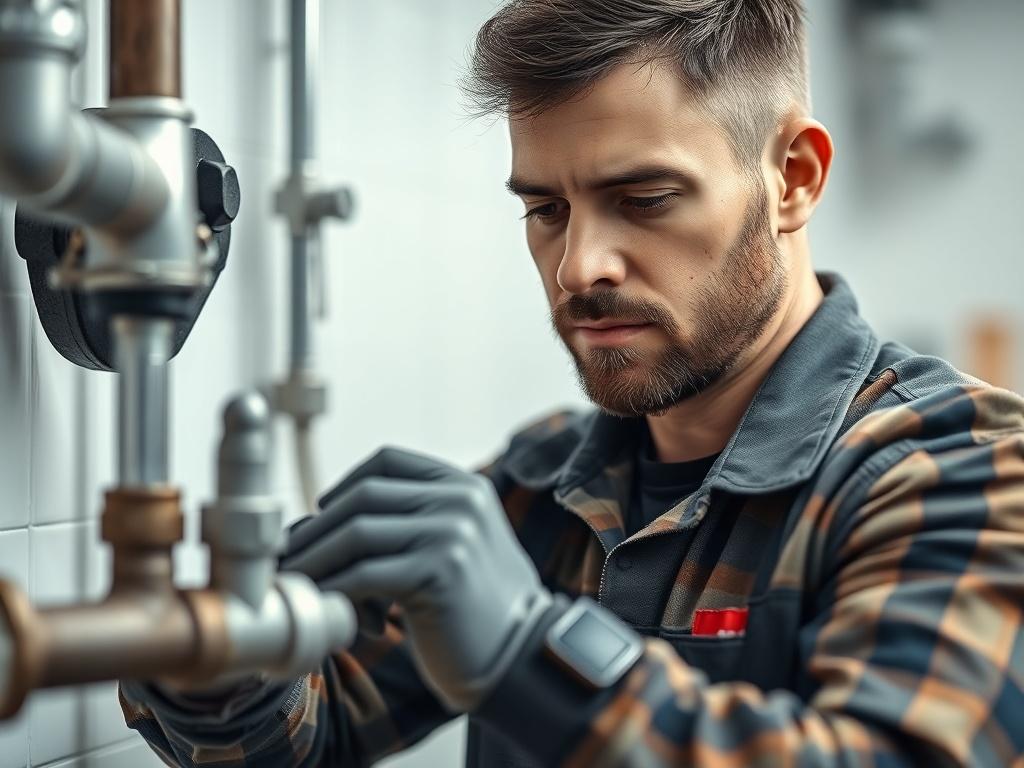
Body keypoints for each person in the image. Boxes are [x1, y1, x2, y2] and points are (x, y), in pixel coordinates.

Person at [119, 1, 1024, 765]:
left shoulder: (962, 470)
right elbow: (298, 740)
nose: (577, 266)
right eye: (545, 210)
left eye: (644, 199)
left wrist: (525, 651)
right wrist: (228, 652)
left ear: (793, 178)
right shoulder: (543, 484)